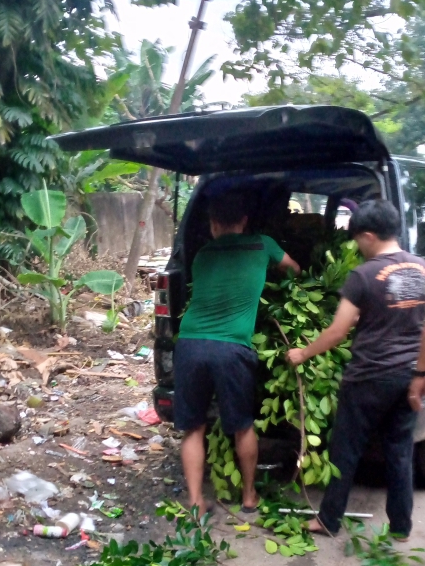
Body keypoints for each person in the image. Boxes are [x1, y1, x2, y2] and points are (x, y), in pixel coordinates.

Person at [286, 199, 425, 539]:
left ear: (368, 236)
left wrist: (303, 353)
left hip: (367, 378)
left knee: (345, 450)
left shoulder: (362, 275)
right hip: (408, 375)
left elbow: (337, 331)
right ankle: (401, 527)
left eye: (357, 239)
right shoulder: (422, 268)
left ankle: (329, 520)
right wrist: (420, 375)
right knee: (400, 451)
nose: (357, 247)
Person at [174, 190, 300, 516]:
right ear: (244, 221)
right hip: (231, 349)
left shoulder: (203, 254)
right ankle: (248, 497)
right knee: (243, 426)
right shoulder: (262, 245)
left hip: (190, 343)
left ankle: (195, 501)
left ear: (213, 223)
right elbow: (295, 269)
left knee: (194, 428)